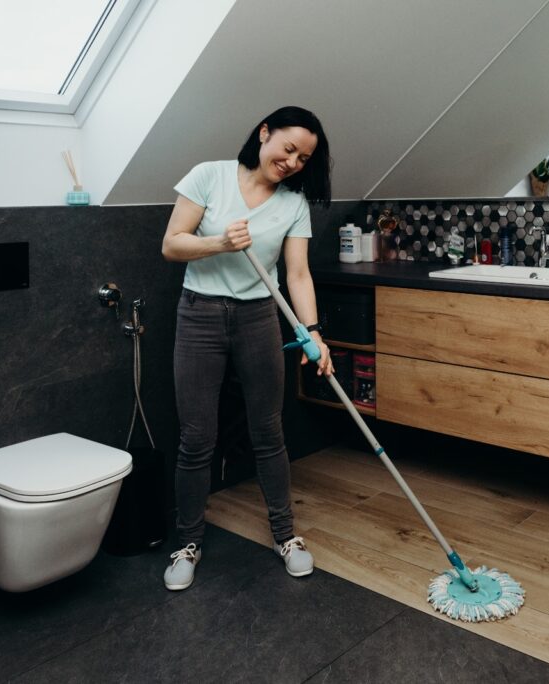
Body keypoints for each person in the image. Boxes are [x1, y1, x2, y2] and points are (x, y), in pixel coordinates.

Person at [160, 106, 333, 591]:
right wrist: (218, 243)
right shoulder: (208, 176)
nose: (294, 161)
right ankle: (188, 542)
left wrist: (312, 332)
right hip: (200, 315)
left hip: (259, 317)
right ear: (264, 133)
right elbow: (172, 245)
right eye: (288, 148)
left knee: (268, 431)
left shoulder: (293, 203)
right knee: (197, 437)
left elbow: (297, 274)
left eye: (304, 157)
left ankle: (286, 535)